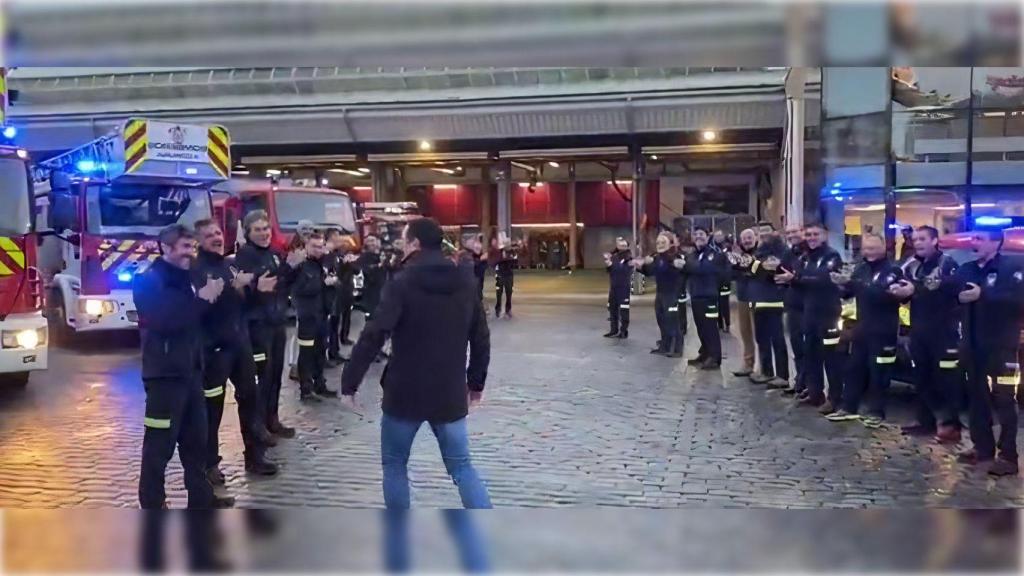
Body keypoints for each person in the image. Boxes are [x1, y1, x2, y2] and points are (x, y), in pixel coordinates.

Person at [341, 217, 492, 509]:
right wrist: (475, 383)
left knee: (395, 466)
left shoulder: (402, 283)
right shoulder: (465, 281)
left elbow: (374, 333)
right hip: (449, 392)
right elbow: (481, 336)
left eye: (405, 240)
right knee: (462, 468)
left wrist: (350, 382)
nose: (401, 245)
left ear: (415, 244)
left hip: (404, 393)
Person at [134, 223, 233, 509]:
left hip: (191, 372)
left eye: (192, 247)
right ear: (165, 248)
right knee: (159, 446)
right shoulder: (149, 280)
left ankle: (201, 500)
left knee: (196, 442)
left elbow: (205, 317)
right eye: (184, 247)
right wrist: (202, 301)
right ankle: (153, 503)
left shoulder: (192, 276)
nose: (190, 253)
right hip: (164, 376)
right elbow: (165, 320)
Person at [191, 219, 278, 480]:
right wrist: (209, 296)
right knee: (212, 409)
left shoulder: (230, 266)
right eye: (209, 236)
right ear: (199, 242)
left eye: (217, 233)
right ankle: (209, 464)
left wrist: (257, 291)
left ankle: (254, 457)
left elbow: (245, 304)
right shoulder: (195, 270)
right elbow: (196, 310)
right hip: (214, 351)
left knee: (249, 401)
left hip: (241, 347)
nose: (216, 238)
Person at [954, 228, 1024, 476]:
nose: (974, 242)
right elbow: (951, 294)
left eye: (980, 239)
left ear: (996, 243)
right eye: (973, 238)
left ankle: (1008, 456)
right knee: (976, 398)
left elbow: (1017, 299)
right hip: (972, 346)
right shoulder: (967, 269)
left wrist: (984, 294)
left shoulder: (1013, 266)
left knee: (1005, 400)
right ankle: (982, 448)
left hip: (1002, 346)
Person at [235, 210, 304, 440]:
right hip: (258, 324)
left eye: (266, 229)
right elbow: (264, 282)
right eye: (258, 230)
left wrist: (294, 268)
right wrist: (285, 270)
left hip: (276, 321)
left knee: (275, 374)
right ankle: (258, 424)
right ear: (248, 233)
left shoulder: (274, 253)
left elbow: (282, 283)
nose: (264, 233)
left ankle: (272, 418)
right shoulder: (245, 255)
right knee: (262, 377)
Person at [891, 226, 964, 443]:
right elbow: (903, 285)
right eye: (915, 239)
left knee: (946, 380)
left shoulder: (947, 263)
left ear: (934, 241)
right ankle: (926, 421)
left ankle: (951, 425)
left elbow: (949, 289)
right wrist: (899, 292)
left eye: (923, 239)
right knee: (922, 378)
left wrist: (915, 290)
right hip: (919, 330)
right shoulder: (912, 265)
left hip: (944, 332)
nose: (918, 243)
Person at [825, 234, 904, 428]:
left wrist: (853, 284)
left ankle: (876, 412)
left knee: (879, 373)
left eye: (873, 248)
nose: (868, 252)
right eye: (866, 248)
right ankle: (848, 408)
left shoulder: (893, 270)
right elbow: (849, 294)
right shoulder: (860, 269)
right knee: (854, 369)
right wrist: (841, 284)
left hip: (884, 329)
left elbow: (879, 292)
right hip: (862, 327)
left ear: (883, 247)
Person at [775, 222, 844, 413]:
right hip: (809, 312)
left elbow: (823, 278)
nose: (812, 238)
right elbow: (796, 275)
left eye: (816, 234)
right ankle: (815, 393)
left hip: (828, 313)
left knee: (831, 358)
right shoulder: (805, 257)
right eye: (809, 234)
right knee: (811, 354)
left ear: (825, 235)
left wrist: (797, 279)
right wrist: (793, 278)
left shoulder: (832, 256)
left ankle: (834, 398)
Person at [292, 232, 338, 402]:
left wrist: (333, 283)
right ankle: (306, 389)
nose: (319, 250)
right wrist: (323, 283)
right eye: (314, 246)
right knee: (306, 354)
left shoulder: (323, 264)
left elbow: (331, 287)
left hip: (322, 314)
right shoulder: (301, 266)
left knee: (320, 352)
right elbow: (299, 290)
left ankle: (320, 384)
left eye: (321, 246)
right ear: (306, 246)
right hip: (307, 317)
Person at [747, 226, 790, 389]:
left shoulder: (782, 251)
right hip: (758, 301)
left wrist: (758, 268)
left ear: (775, 232)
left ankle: (782, 375)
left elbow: (771, 271)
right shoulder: (759, 251)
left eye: (767, 231)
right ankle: (766, 371)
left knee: (777, 340)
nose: (764, 235)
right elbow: (749, 270)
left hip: (774, 300)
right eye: (761, 232)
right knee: (762, 339)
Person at [685, 227, 729, 369]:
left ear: (707, 236)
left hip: (709, 296)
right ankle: (705, 353)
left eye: (701, 234)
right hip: (696, 295)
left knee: (710, 327)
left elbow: (706, 269)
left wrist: (691, 266)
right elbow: (688, 269)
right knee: (700, 327)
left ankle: (715, 357)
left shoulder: (715, 254)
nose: (699, 237)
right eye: (696, 234)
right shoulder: (692, 255)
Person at [635, 232, 685, 357]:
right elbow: (650, 272)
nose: (660, 245)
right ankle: (664, 346)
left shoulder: (675, 256)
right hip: (661, 294)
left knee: (672, 321)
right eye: (658, 242)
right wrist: (641, 267)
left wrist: (668, 261)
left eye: (663, 242)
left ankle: (677, 349)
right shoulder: (657, 257)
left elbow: (677, 269)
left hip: (672, 294)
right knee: (661, 320)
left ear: (670, 243)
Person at [780, 225, 807, 396]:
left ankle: (808, 384)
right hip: (793, 304)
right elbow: (781, 272)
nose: (791, 235)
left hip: (808, 305)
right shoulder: (789, 253)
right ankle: (800, 381)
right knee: (796, 345)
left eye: (794, 232)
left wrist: (794, 278)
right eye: (788, 233)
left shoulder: (809, 253)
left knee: (809, 347)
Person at [727, 229, 758, 378]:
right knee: (745, 332)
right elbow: (731, 274)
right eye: (744, 238)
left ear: (755, 238)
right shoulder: (736, 256)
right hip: (743, 297)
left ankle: (766, 368)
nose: (747, 240)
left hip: (759, 298)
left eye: (749, 237)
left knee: (761, 334)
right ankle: (748, 363)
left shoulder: (761, 253)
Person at [325, 230, 359, 364]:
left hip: (343, 292)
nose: (338, 240)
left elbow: (354, 271)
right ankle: (330, 353)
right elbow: (332, 274)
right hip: (332, 295)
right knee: (331, 324)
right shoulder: (328, 255)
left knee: (338, 321)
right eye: (335, 237)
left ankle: (335, 350)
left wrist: (348, 263)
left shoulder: (341, 254)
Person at [603, 237, 633, 339]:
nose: (622, 247)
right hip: (614, 287)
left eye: (624, 246)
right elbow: (610, 270)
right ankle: (613, 330)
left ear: (627, 247)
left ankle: (624, 331)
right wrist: (608, 264)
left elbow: (624, 270)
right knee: (612, 309)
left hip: (623, 287)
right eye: (620, 245)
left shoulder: (628, 258)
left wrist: (612, 265)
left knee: (624, 310)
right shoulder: (614, 256)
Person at [355, 235, 388, 323]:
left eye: (374, 240)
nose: (372, 243)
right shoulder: (363, 258)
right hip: (371, 293)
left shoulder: (383, 256)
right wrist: (378, 266)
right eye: (369, 241)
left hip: (383, 292)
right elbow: (363, 271)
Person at [712, 229, 733, 333]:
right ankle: (719, 324)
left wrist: (727, 277)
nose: (718, 238)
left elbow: (729, 262)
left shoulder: (727, 247)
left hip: (725, 280)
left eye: (720, 236)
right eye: (716, 236)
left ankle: (727, 324)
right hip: (715, 281)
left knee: (724, 304)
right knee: (716, 304)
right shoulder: (712, 248)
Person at [492, 237, 518, 318]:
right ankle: (498, 309)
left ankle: (508, 309)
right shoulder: (500, 252)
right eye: (506, 243)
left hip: (509, 275)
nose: (507, 245)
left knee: (509, 292)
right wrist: (502, 259)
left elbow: (515, 262)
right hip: (500, 274)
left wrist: (508, 259)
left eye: (508, 243)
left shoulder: (512, 252)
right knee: (498, 293)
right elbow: (495, 262)